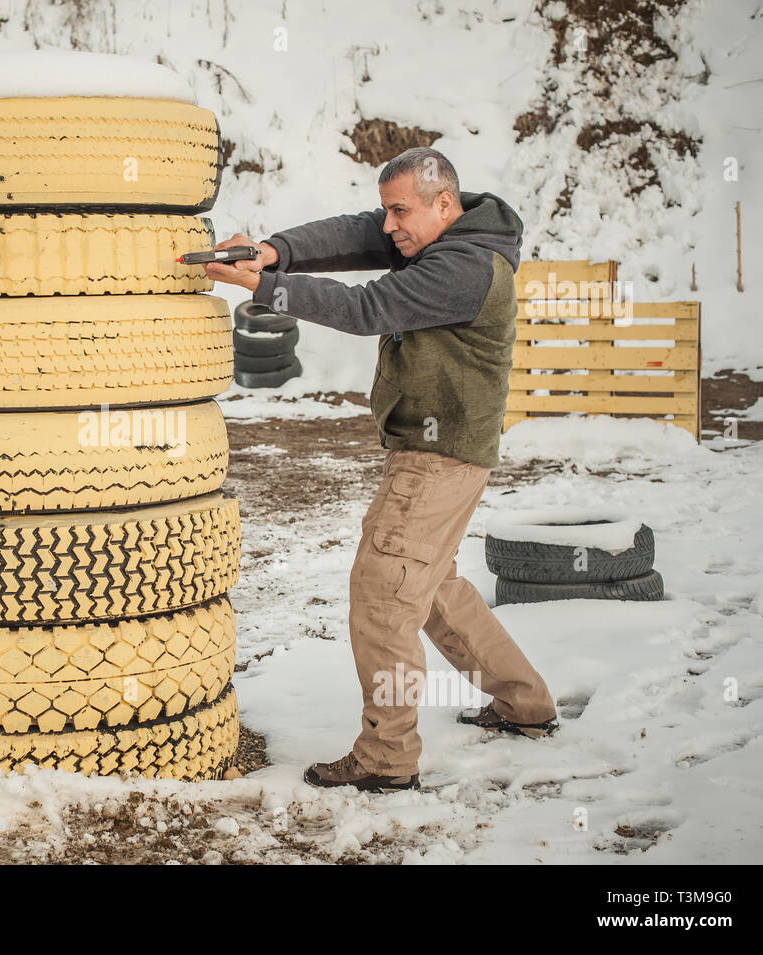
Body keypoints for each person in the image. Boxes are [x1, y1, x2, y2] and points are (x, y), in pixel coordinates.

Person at [205, 146, 558, 793]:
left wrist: (265, 286)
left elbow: (367, 307)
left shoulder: (462, 267)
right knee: (430, 588)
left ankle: (386, 756)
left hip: (436, 458)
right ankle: (524, 702)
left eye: (401, 211)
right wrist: (273, 251)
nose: (389, 225)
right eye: (388, 208)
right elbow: (355, 233)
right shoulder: (447, 230)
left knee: (382, 598)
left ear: (443, 204)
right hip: (450, 451)